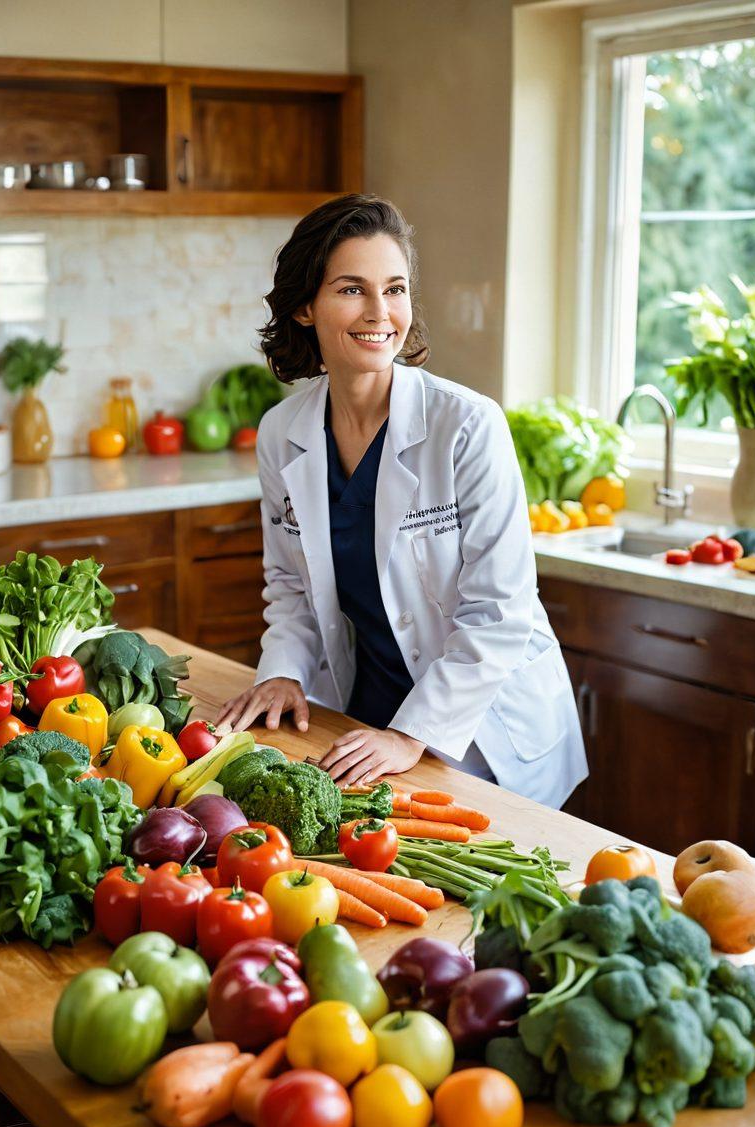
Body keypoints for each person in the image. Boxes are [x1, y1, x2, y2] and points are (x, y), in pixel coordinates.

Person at [216, 194, 587, 809]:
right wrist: (282, 670)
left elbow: (499, 611)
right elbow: (289, 587)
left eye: (395, 288)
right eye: (352, 289)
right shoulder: (284, 434)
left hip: (482, 727)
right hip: (369, 720)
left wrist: (413, 733)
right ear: (305, 306)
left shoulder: (467, 425)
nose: (380, 312)